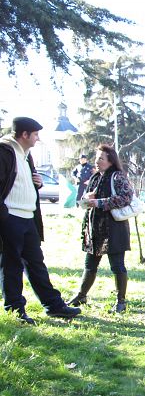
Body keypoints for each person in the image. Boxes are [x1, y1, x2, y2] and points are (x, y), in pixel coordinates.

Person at [0, 116, 81, 324]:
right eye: (35, 134)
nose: (37, 139)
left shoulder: (26, 155)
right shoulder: (4, 151)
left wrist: (37, 182)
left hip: (28, 218)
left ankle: (54, 306)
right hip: (11, 218)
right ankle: (15, 311)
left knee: (36, 264)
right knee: (12, 266)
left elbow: (22, 182)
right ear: (24, 134)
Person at [68, 145, 134, 313]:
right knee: (90, 264)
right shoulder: (96, 177)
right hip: (94, 227)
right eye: (96, 158)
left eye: (101, 158)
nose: (97, 162)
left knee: (117, 266)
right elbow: (87, 200)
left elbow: (126, 198)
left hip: (114, 228)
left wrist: (99, 202)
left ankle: (121, 302)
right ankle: (81, 296)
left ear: (110, 160)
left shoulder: (118, 176)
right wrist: (86, 198)